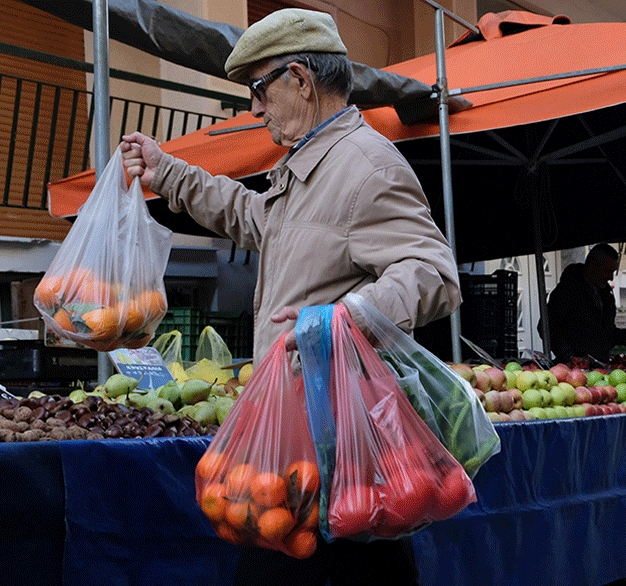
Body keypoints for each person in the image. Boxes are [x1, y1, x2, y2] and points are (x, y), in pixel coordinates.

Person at [121, 8, 461, 586]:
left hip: (337, 438)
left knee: (331, 565)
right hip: (302, 432)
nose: (254, 108)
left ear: (300, 80)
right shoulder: (310, 162)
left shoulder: (367, 166)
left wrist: (341, 317)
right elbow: (255, 219)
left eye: (259, 89)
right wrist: (169, 174)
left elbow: (434, 273)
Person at [541, 243, 626, 364]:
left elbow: (607, 334)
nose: (611, 277)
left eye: (613, 272)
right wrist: (569, 357)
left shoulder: (605, 295)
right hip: (573, 368)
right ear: (593, 266)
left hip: (599, 366)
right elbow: (546, 327)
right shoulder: (567, 291)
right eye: (608, 271)